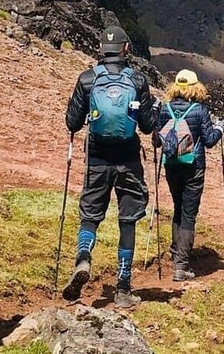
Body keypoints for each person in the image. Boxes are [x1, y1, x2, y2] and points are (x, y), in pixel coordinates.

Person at [62, 26, 159, 308]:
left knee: (90, 216)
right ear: (126, 49)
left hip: (97, 158)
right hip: (128, 159)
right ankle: (123, 287)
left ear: (101, 49)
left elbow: (72, 123)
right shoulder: (138, 81)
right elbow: (147, 125)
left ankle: (83, 257)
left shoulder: (88, 79)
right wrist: (154, 110)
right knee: (127, 219)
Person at [154, 70, 224, 281]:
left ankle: (176, 250)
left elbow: (157, 140)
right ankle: (181, 266)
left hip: (172, 165)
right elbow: (210, 140)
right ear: (196, 87)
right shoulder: (199, 110)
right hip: (194, 167)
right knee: (189, 213)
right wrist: (220, 129)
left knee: (178, 207)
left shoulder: (165, 109)